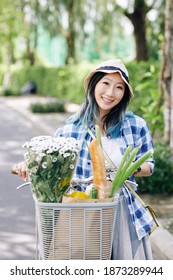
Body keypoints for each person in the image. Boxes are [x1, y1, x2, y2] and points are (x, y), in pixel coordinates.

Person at [14, 59, 155, 260]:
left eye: (119, 87)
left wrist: (126, 169)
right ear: (94, 85)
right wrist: (29, 165)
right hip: (80, 211)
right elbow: (51, 162)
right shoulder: (69, 129)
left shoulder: (135, 125)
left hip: (121, 211)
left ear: (124, 94)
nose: (110, 93)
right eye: (105, 83)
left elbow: (149, 166)